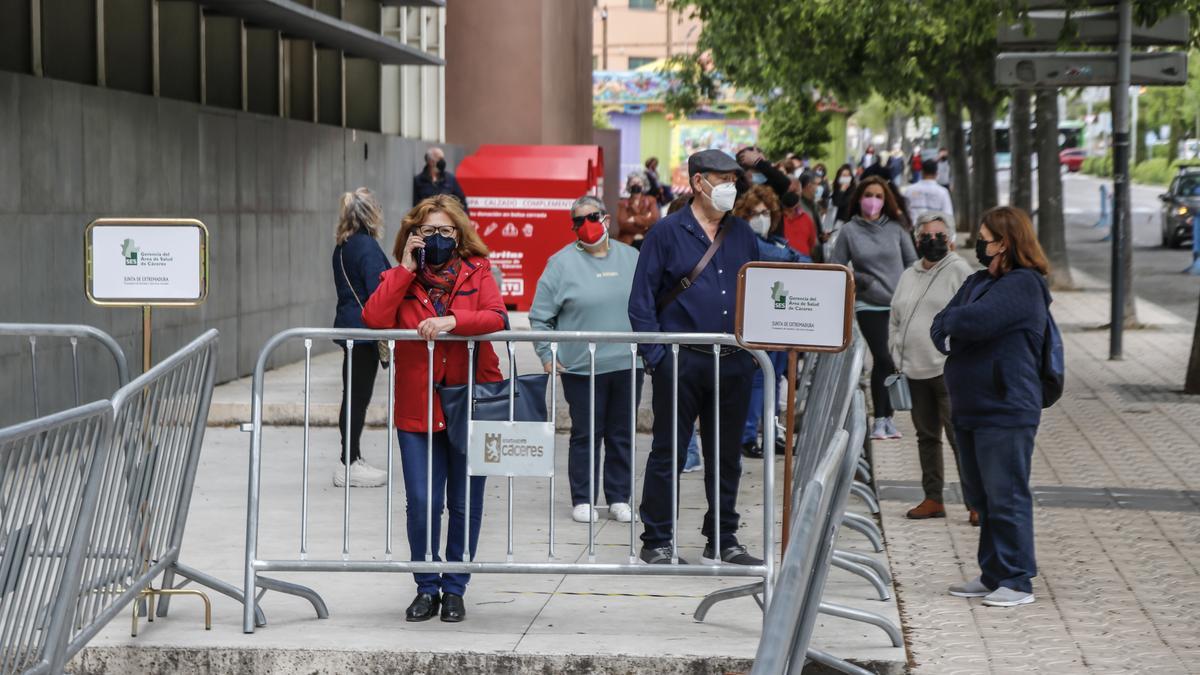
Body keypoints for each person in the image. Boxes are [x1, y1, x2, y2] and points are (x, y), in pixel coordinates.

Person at [361, 194, 506, 624]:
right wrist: (406, 268)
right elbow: (373, 318)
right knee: (422, 501)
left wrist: (453, 322)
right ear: (413, 235)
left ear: (460, 236)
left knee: (464, 503)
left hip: (470, 402)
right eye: (428, 231)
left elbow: (497, 317)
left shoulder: (478, 273)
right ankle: (426, 586)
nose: (438, 238)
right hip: (417, 407)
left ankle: (455, 587)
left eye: (446, 231)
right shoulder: (399, 278)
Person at [628, 149, 762, 567]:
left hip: (733, 360)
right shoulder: (667, 232)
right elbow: (641, 301)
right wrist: (657, 357)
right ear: (699, 181)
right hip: (681, 358)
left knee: (726, 455)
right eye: (723, 179)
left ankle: (722, 538)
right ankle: (657, 540)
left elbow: (759, 285)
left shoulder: (741, 233)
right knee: (669, 451)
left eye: (734, 180)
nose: (731, 187)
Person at [932, 206, 1052, 608]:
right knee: (982, 497)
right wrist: (954, 322)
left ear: (1005, 242)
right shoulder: (979, 280)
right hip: (970, 404)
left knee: (1006, 494)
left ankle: (1017, 580)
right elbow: (941, 323)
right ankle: (993, 574)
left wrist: (957, 322)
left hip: (1006, 407)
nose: (979, 245)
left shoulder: (1024, 285)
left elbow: (975, 321)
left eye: (984, 238)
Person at [530, 196, 641, 524]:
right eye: (578, 221)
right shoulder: (561, 263)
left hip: (627, 362)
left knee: (622, 434)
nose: (587, 225)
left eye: (592, 217)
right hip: (581, 367)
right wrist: (547, 354)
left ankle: (619, 497)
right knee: (586, 433)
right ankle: (583, 498)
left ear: (606, 218)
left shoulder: (632, 257)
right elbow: (540, 317)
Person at [888, 212, 975, 524]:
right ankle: (933, 497)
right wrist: (895, 350)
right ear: (916, 240)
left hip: (948, 371)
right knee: (926, 436)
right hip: (914, 370)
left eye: (940, 235)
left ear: (950, 239)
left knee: (960, 436)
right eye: (927, 236)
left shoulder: (959, 271)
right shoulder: (908, 275)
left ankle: (975, 501)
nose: (933, 241)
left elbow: (970, 317)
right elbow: (895, 316)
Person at [831, 176, 917, 441]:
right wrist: (860, 279)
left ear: (887, 200)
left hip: (898, 303)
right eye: (869, 194)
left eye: (879, 196)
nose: (873, 201)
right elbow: (836, 265)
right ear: (859, 198)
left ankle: (887, 419)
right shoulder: (849, 231)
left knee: (891, 362)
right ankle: (879, 419)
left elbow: (912, 262)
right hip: (868, 305)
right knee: (883, 357)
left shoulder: (896, 228)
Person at [331, 188, 391, 488]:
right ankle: (349, 461)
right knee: (358, 397)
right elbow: (380, 291)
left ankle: (350, 458)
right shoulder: (366, 246)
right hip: (364, 332)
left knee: (353, 395)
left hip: (351, 329)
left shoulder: (343, 246)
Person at [666, 195, 704, 474]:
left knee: (679, 404)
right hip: (682, 341)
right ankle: (688, 453)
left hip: (685, 340)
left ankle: (688, 454)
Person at [413, 146, 469, 212]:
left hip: (446, 218)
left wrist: (465, 218)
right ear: (430, 161)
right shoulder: (419, 180)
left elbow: (461, 200)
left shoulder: (450, 179)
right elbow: (416, 205)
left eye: (443, 158)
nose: (442, 161)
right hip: (428, 218)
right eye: (440, 158)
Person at [904, 156, 956, 225]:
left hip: (914, 231)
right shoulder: (942, 192)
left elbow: (904, 212)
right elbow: (948, 216)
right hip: (935, 232)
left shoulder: (909, 190)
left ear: (922, 172)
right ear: (937, 174)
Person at [616, 172, 659, 246]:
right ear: (629, 185)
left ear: (644, 184)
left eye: (639, 182)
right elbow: (623, 224)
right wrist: (645, 224)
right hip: (627, 242)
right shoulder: (623, 203)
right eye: (633, 182)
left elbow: (654, 219)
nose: (636, 185)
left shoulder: (651, 200)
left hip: (647, 240)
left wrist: (635, 219)